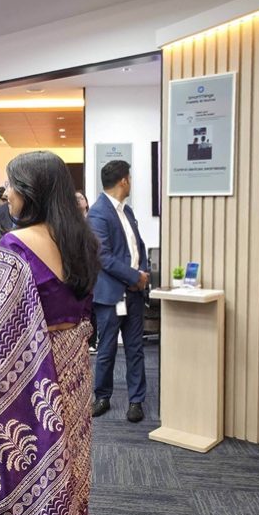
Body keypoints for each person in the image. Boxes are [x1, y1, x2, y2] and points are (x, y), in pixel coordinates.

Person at [0, 151, 99, 515]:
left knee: (27, 460)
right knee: (69, 453)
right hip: (73, 364)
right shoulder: (83, 240)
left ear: (31, 191)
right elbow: (83, 307)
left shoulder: (15, 246)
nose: (7, 194)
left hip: (33, 374)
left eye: (12, 185)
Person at [88, 160, 149, 423]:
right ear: (124, 180)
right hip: (111, 294)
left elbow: (138, 247)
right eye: (130, 178)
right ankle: (102, 397)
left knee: (135, 349)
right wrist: (135, 277)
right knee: (107, 349)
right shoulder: (97, 213)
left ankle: (136, 401)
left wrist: (143, 273)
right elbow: (103, 257)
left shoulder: (128, 211)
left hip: (134, 294)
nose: (131, 182)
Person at [75, 191, 97, 353]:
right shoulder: (69, 224)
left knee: (92, 307)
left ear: (87, 203)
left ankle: (92, 341)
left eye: (81, 198)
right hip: (77, 270)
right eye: (74, 199)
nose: (78, 200)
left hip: (91, 269)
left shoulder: (93, 221)